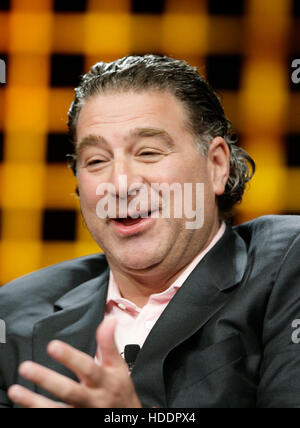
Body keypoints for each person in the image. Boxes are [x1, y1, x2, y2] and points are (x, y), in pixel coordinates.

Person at [0, 55, 299, 408]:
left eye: (148, 152)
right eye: (96, 160)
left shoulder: (285, 267)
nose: (120, 183)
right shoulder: (15, 313)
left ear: (216, 165)